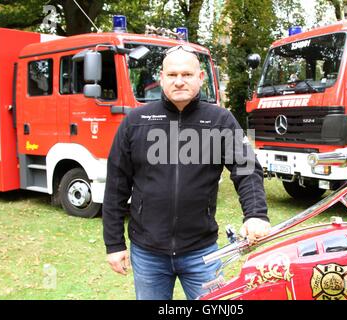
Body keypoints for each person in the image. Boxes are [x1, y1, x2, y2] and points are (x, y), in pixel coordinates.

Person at [102, 45, 271, 300]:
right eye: (172, 75)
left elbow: (247, 169)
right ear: (161, 78)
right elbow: (116, 185)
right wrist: (114, 244)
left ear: (200, 77)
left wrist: (256, 214)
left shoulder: (221, 120)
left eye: (187, 74)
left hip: (201, 252)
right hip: (147, 253)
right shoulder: (135, 121)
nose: (179, 81)